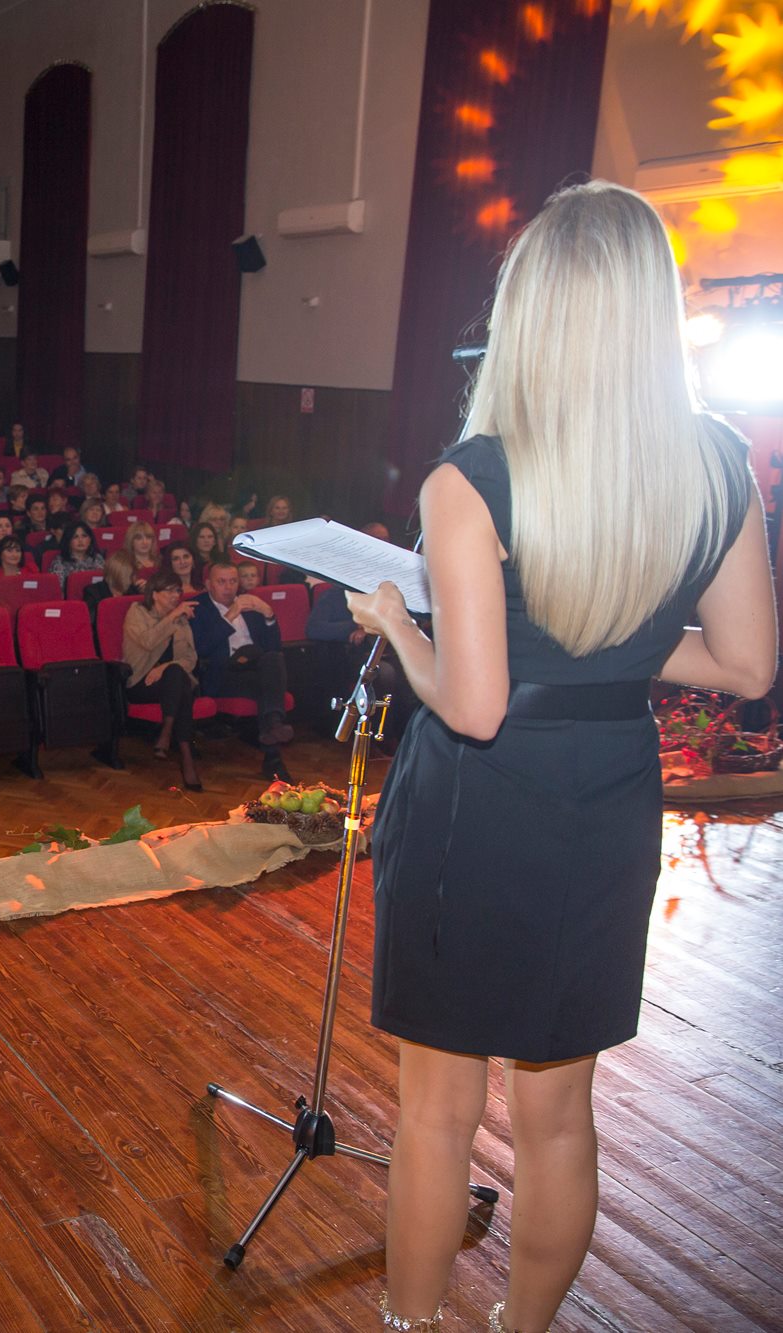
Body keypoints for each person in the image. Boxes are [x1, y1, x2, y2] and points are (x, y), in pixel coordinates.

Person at [344, 182, 773, 1333]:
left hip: (478, 809)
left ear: (528, 306)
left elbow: (474, 705)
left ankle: (411, 1323)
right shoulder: (718, 462)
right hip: (609, 799)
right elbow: (744, 664)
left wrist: (396, 626)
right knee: (559, 1115)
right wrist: (614, 641)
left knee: (437, 1113)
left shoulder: (472, 476)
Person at [192, 560, 294, 779]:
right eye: (221, 582)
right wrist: (231, 615)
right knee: (267, 686)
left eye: (233, 581)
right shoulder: (197, 608)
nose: (228, 587)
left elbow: (273, 647)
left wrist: (268, 614)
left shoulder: (250, 604)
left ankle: (273, 740)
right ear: (209, 584)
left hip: (256, 668)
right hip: (223, 673)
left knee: (273, 660)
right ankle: (273, 742)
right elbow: (201, 649)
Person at [122, 569, 204, 789]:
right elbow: (147, 641)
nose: (176, 596)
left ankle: (169, 735)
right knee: (181, 686)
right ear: (154, 593)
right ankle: (183, 754)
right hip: (142, 682)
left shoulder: (181, 618)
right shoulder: (137, 611)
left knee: (177, 676)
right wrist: (172, 616)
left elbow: (190, 658)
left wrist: (164, 668)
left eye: (178, 591)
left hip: (171, 681)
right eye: (169, 591)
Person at [82, 549, 137, 616]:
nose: (133, 579)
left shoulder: (134, 591)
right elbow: (91, 619)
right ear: (117, 575)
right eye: (130, 576)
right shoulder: (92, 593)